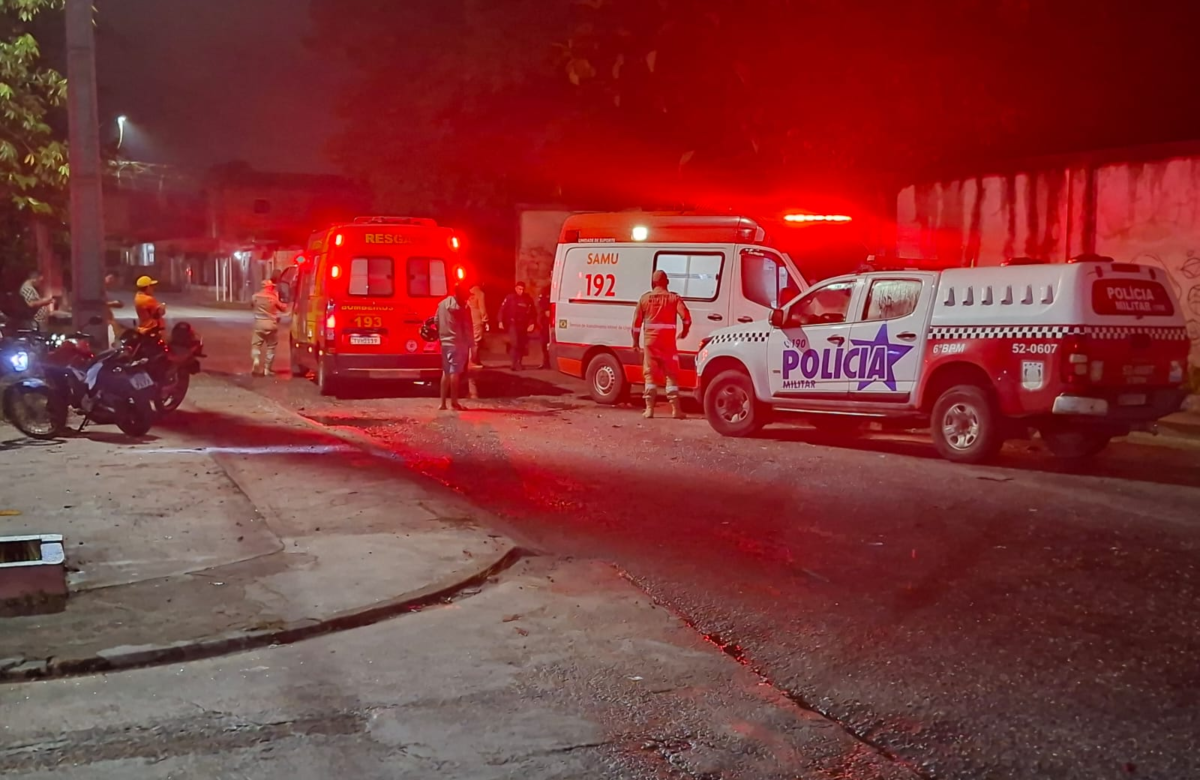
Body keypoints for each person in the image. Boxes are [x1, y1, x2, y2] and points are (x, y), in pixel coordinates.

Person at [632, 269, 692, 419]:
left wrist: (635, 342)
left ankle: (649, 409)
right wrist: (685, 331)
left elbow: (636, 325)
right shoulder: (673, 299)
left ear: (653, 283)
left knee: (650, 375)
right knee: (671, 375)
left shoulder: (644, 299)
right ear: (667, 282)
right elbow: (686, 317)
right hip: (668, 343)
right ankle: (676, 410)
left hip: (650, 343)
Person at [436, 282, 473, 411]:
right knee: (455, 373)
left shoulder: (441, 305)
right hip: (458, 343)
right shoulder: (463, 308)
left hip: (444, 342)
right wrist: (471, 344)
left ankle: (442, 404)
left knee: (445, 372)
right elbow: (467, 327)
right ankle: (454, 402)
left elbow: (436, 321)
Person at [250, 278, 289, 377]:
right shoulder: (273, 298)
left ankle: (256, 359)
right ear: (270, 287)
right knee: (271, 347)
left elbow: (251, 306)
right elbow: (283, 308)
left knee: (256, 345)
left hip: (259, 324)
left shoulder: (255, 296)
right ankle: (267, 369)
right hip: (271, 325)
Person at [498, 280, 536, 371]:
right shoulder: (510, 298)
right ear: (516, 288)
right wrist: (500, 321)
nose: (521, 291)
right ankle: (514, 363)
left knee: (521, 344)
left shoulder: (528, 299)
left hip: (523, 325)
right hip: (513, 324)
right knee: (515, 343)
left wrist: (532, 323)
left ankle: (519, 362)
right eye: (519, 289)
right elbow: (502, 310)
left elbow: (533, 313)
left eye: (522, 289)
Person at [467, 282, 489, 367]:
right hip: (477, 319)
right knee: (476, 340)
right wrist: (485, 320)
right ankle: (474, 361)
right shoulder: (480, 293)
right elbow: (482, 308)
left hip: (468, 318)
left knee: (470, 340)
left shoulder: (468, 292)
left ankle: (471, 360)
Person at [104, 272, 125, 346]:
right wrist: (113, 303)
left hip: (107, 318)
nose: (112, 283)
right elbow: (99, 304)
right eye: (111, 279)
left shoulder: (103, 290)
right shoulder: (98, 288)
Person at [535, 283, 552, 369]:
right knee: (544, 342)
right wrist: (546, 310)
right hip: (545, 320)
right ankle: (545, 362)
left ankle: (552, 362)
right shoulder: (546, 289)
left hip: (556, 320)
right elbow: (540, 303)